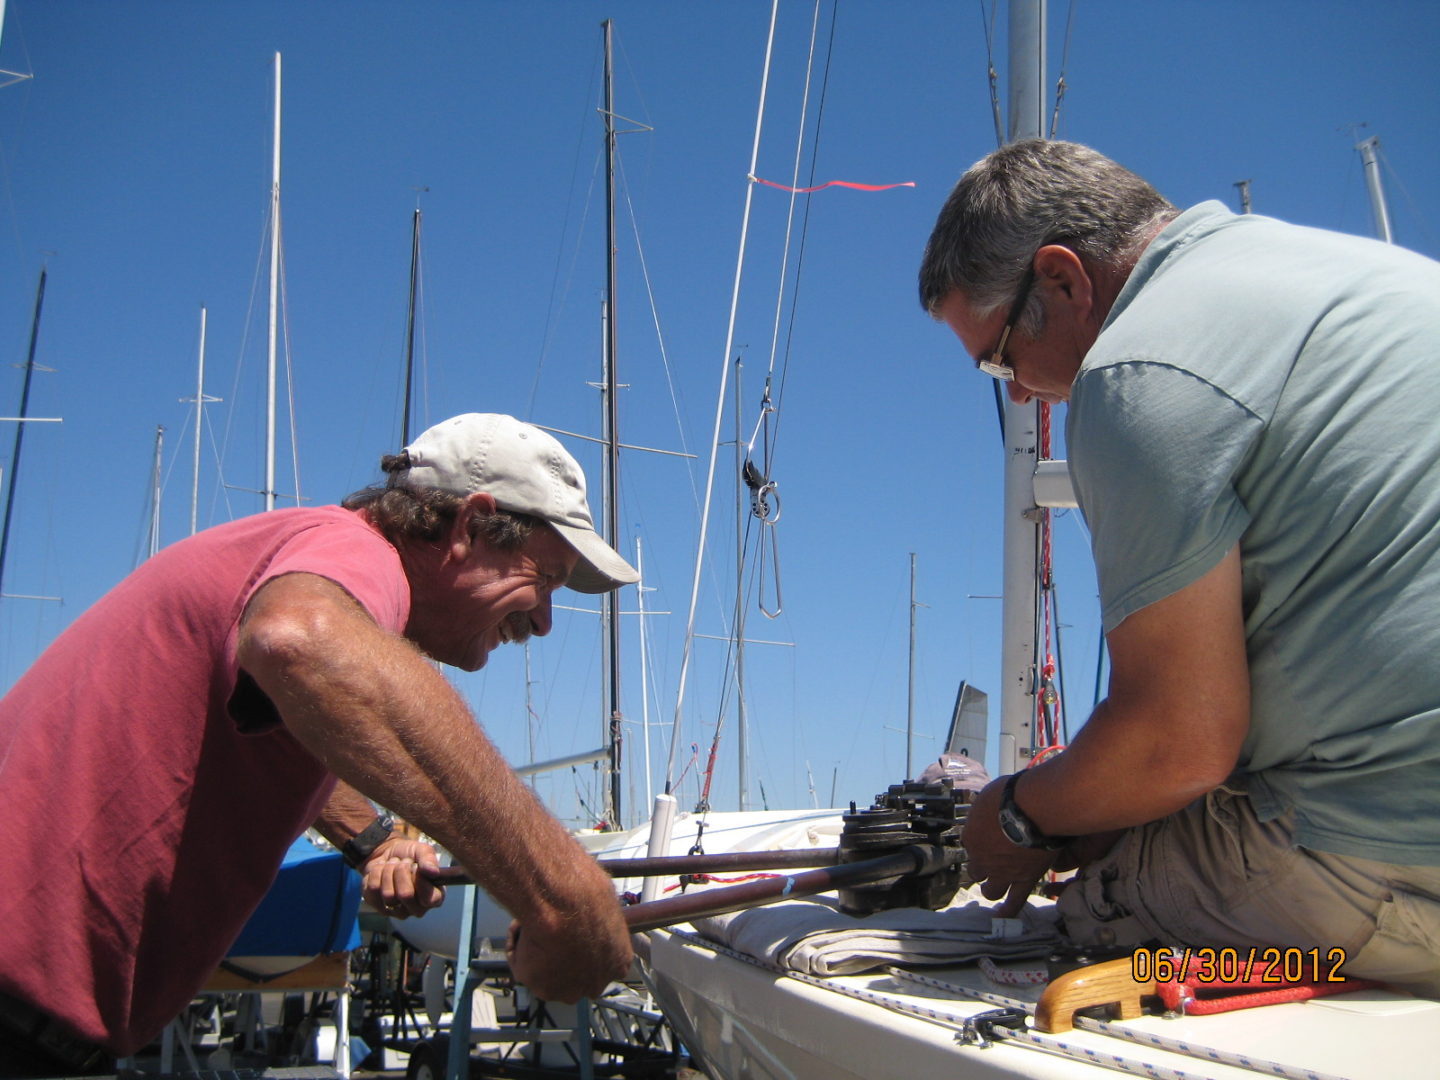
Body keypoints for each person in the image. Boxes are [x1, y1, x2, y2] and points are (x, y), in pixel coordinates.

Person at [918, 139, 1440, 996]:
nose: (1013, 391)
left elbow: (1178, 743)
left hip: (1392, 857)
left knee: (1096, 909)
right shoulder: (1363, 275)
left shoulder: (1137, 369)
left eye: (999, 355)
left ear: (1063, 280)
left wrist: (1014, 814)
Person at [0, 411, 640, 1074]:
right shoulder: (353, 552)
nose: (543, 621)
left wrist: (375, 842)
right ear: (470, 525)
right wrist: (564, 894)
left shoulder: (311, 550)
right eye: (548, 581)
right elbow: (299, 639)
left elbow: (286, 721)